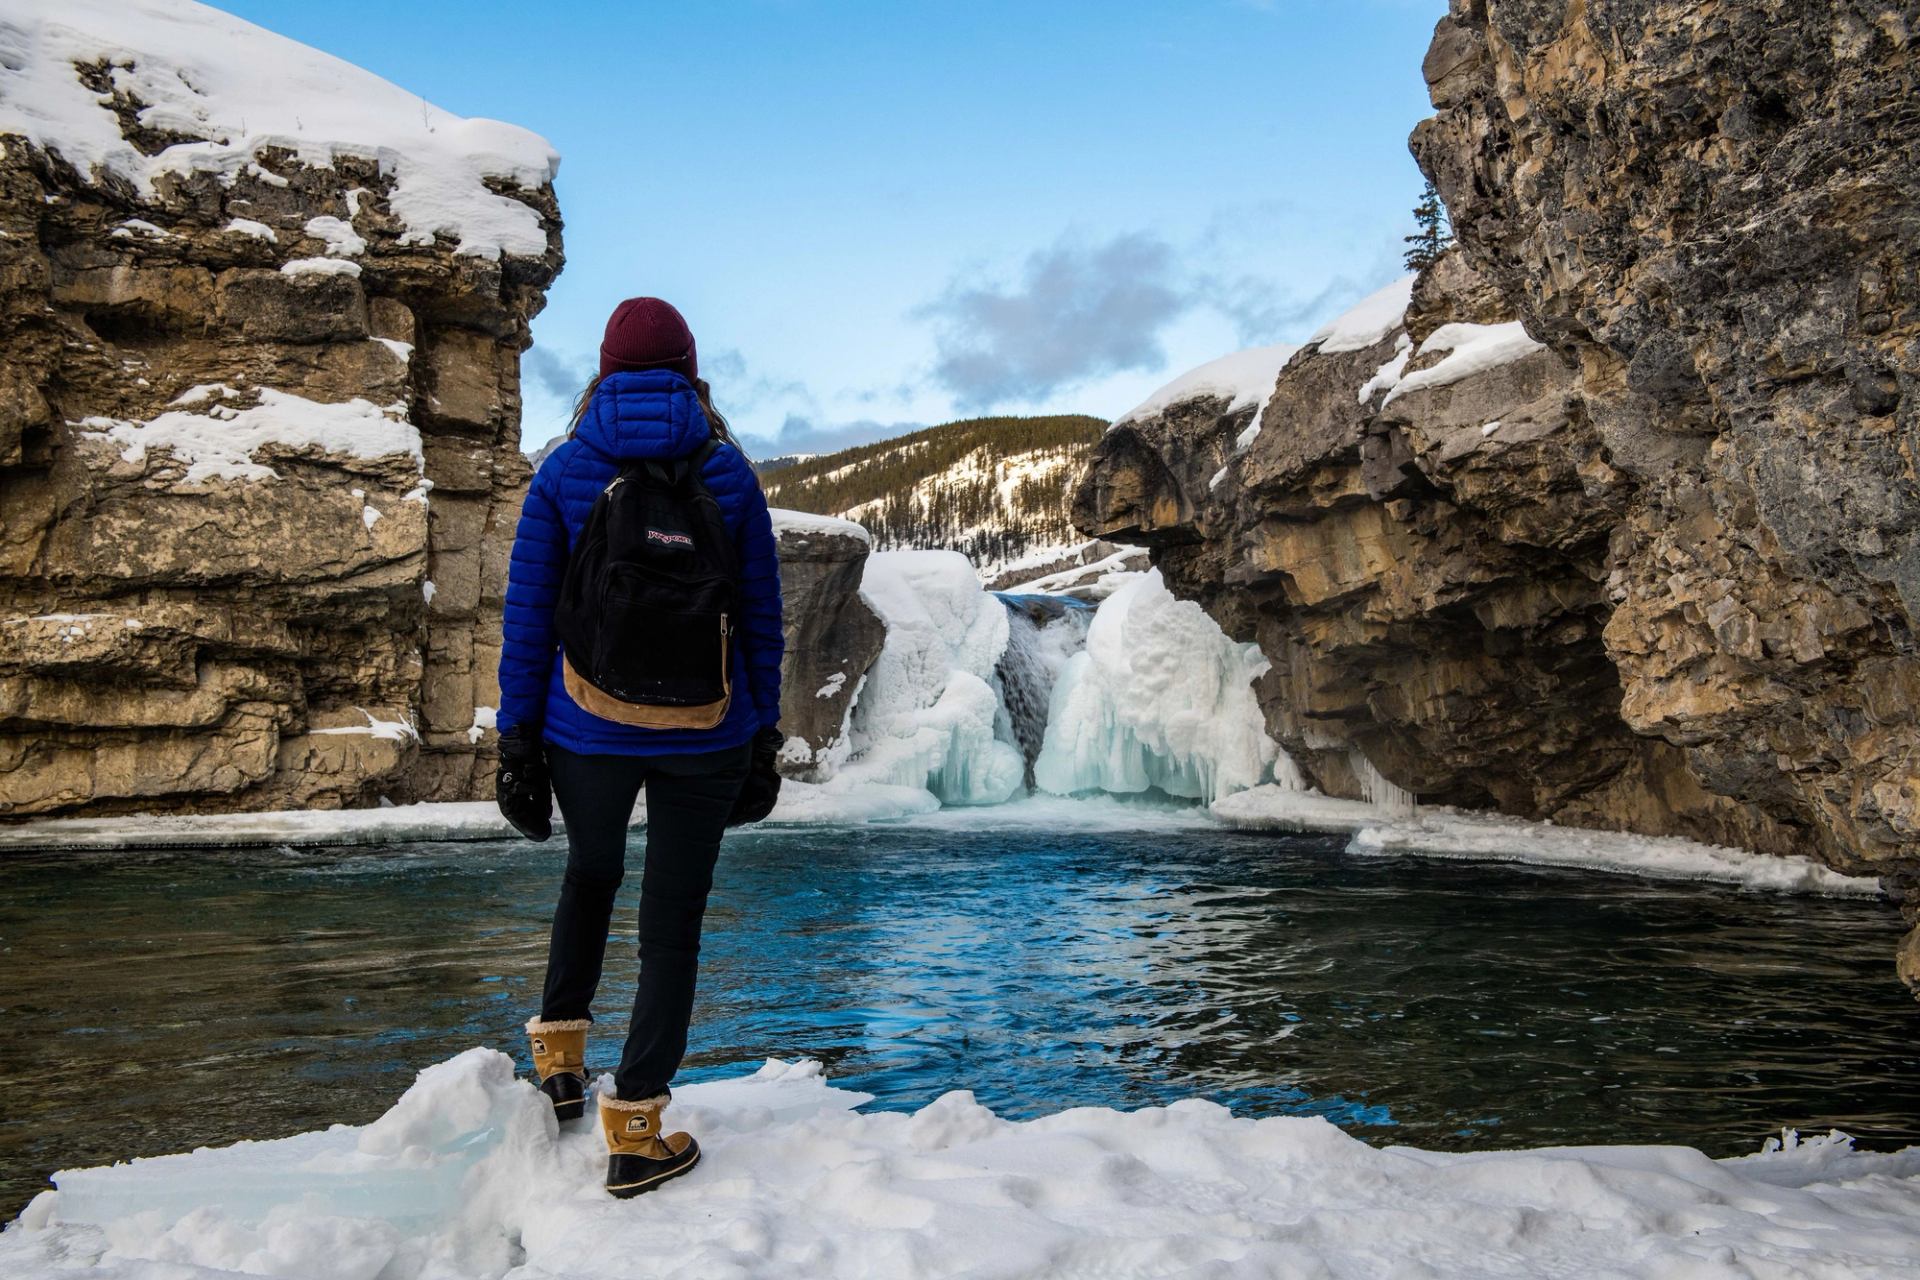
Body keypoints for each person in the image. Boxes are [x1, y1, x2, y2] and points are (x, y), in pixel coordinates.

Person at [492, 297, 784, 1199]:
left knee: (591, 872)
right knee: (673, 924)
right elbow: (767, 622)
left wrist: (517, 744)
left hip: (585, 726)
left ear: (605, 370)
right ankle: (638, 1129)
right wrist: (764, 736)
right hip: (708, 731)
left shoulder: (566, 471)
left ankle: (563, 1064)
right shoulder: (729, 476)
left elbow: (530, 620)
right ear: (692, 370)